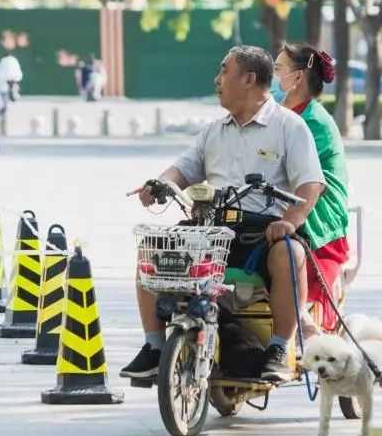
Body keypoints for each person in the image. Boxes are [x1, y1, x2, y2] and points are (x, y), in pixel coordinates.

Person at [120, 45, 326, 382]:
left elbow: (311, 185)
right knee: (153, 248)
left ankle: (277, 348)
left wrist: (289, 221)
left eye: (223, 71)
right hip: (212, 230)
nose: (217, 80)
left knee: (290, 254)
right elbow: (182, 171)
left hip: (263, 233)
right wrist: (158, 185)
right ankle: (155, 347)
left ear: (248, 79)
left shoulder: (289, 127)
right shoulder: (214, 131)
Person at [270, 42, 350, 340]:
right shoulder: (283, 116)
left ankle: (301, 319)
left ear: (297, 78)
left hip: (316, 211)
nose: (272, 78)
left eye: (277, 70)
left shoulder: (313, 121)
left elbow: (300, 179)